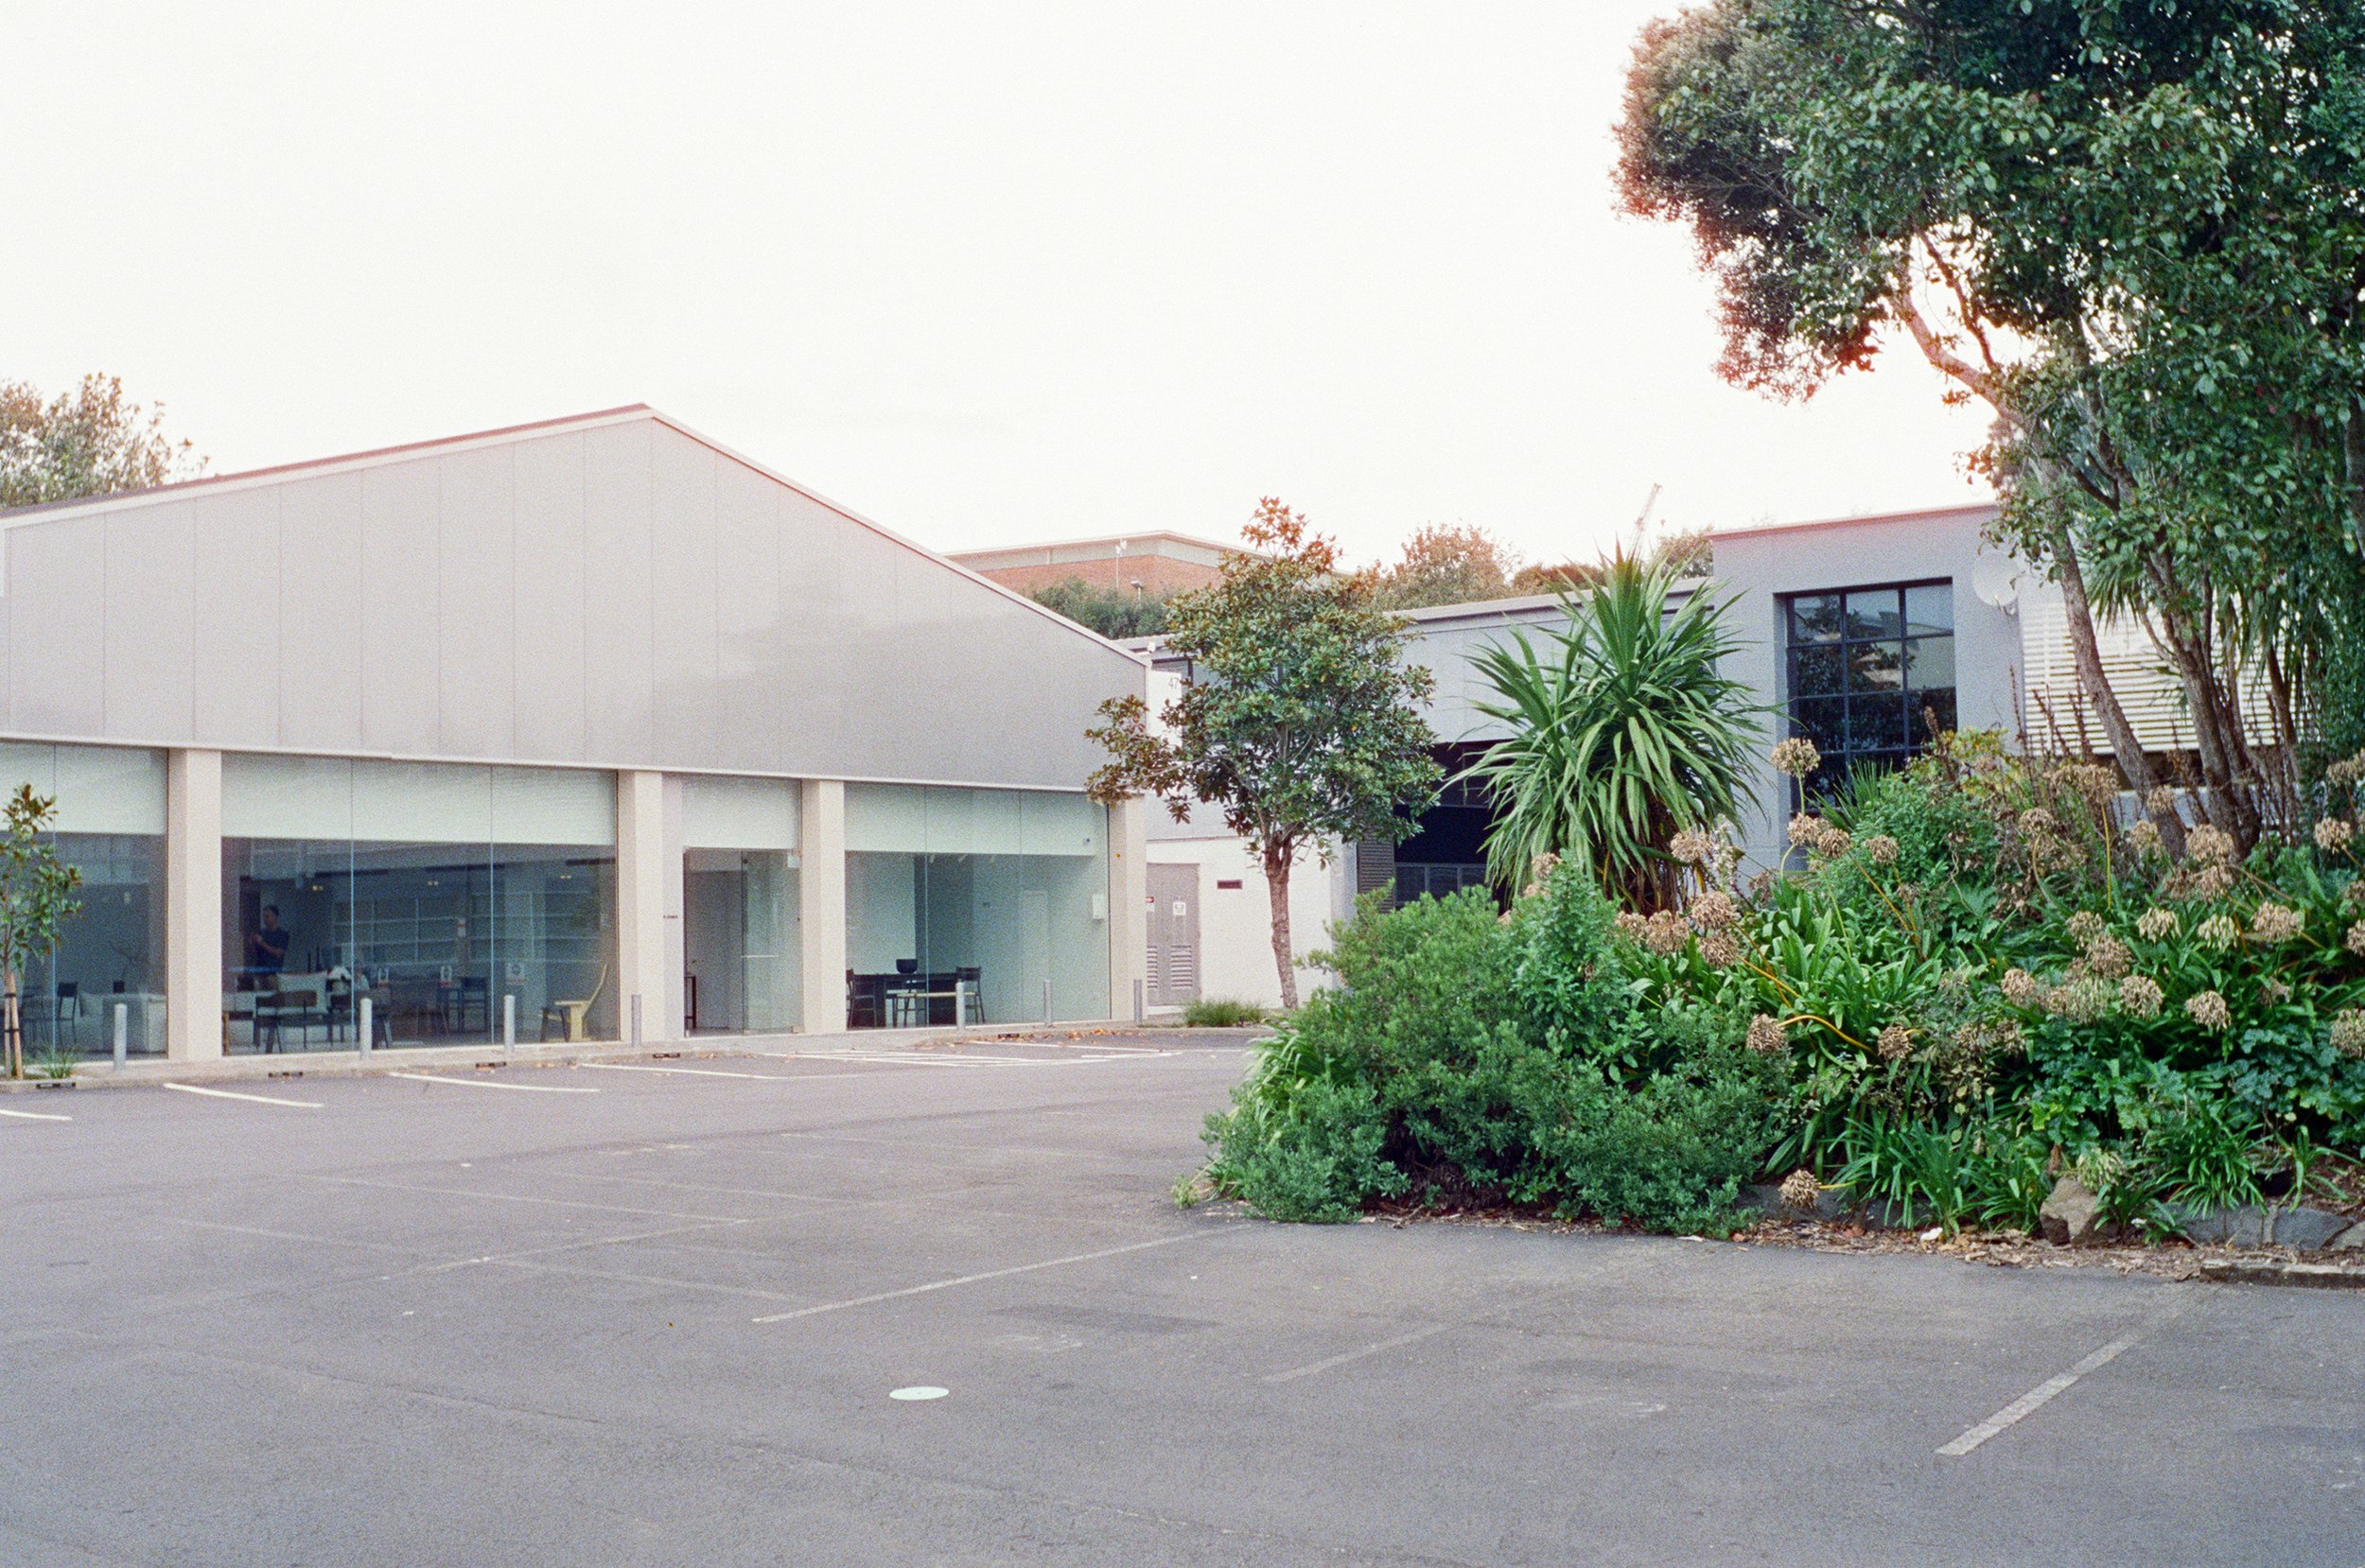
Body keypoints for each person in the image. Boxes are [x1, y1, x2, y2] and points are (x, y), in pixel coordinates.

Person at [246, 904, 292, 978]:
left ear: (275, 917)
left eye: (267, 916)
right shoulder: (261, 933)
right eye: (264, 916)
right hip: (259, 973)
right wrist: (251, 943)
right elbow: (254, 954)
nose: (265, 919)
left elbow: (278, 953)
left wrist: (262, 943)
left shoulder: (282, 934)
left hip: (273, 973)